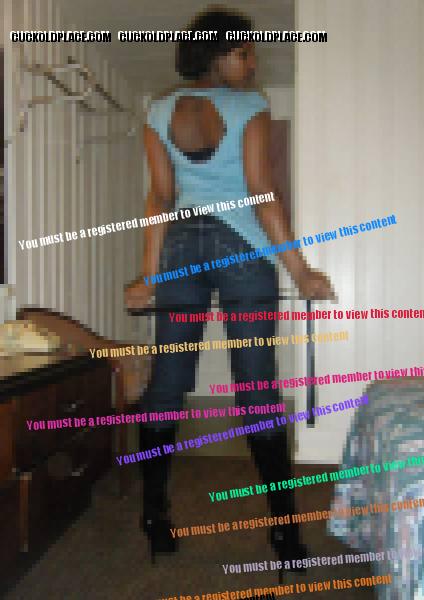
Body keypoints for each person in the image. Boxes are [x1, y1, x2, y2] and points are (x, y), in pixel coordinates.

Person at [125, 7, 335, 571]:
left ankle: (155, 518)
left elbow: (160, 196)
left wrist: (149, 276)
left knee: (168, 383)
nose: (252, 62)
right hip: (239, 246)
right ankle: (285, 535)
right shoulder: (250, 106)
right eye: (245, 52)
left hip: (180, 248)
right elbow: (261, 193)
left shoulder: (158, 110)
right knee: (257, 386)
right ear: (219, 54)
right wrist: (300, 271)